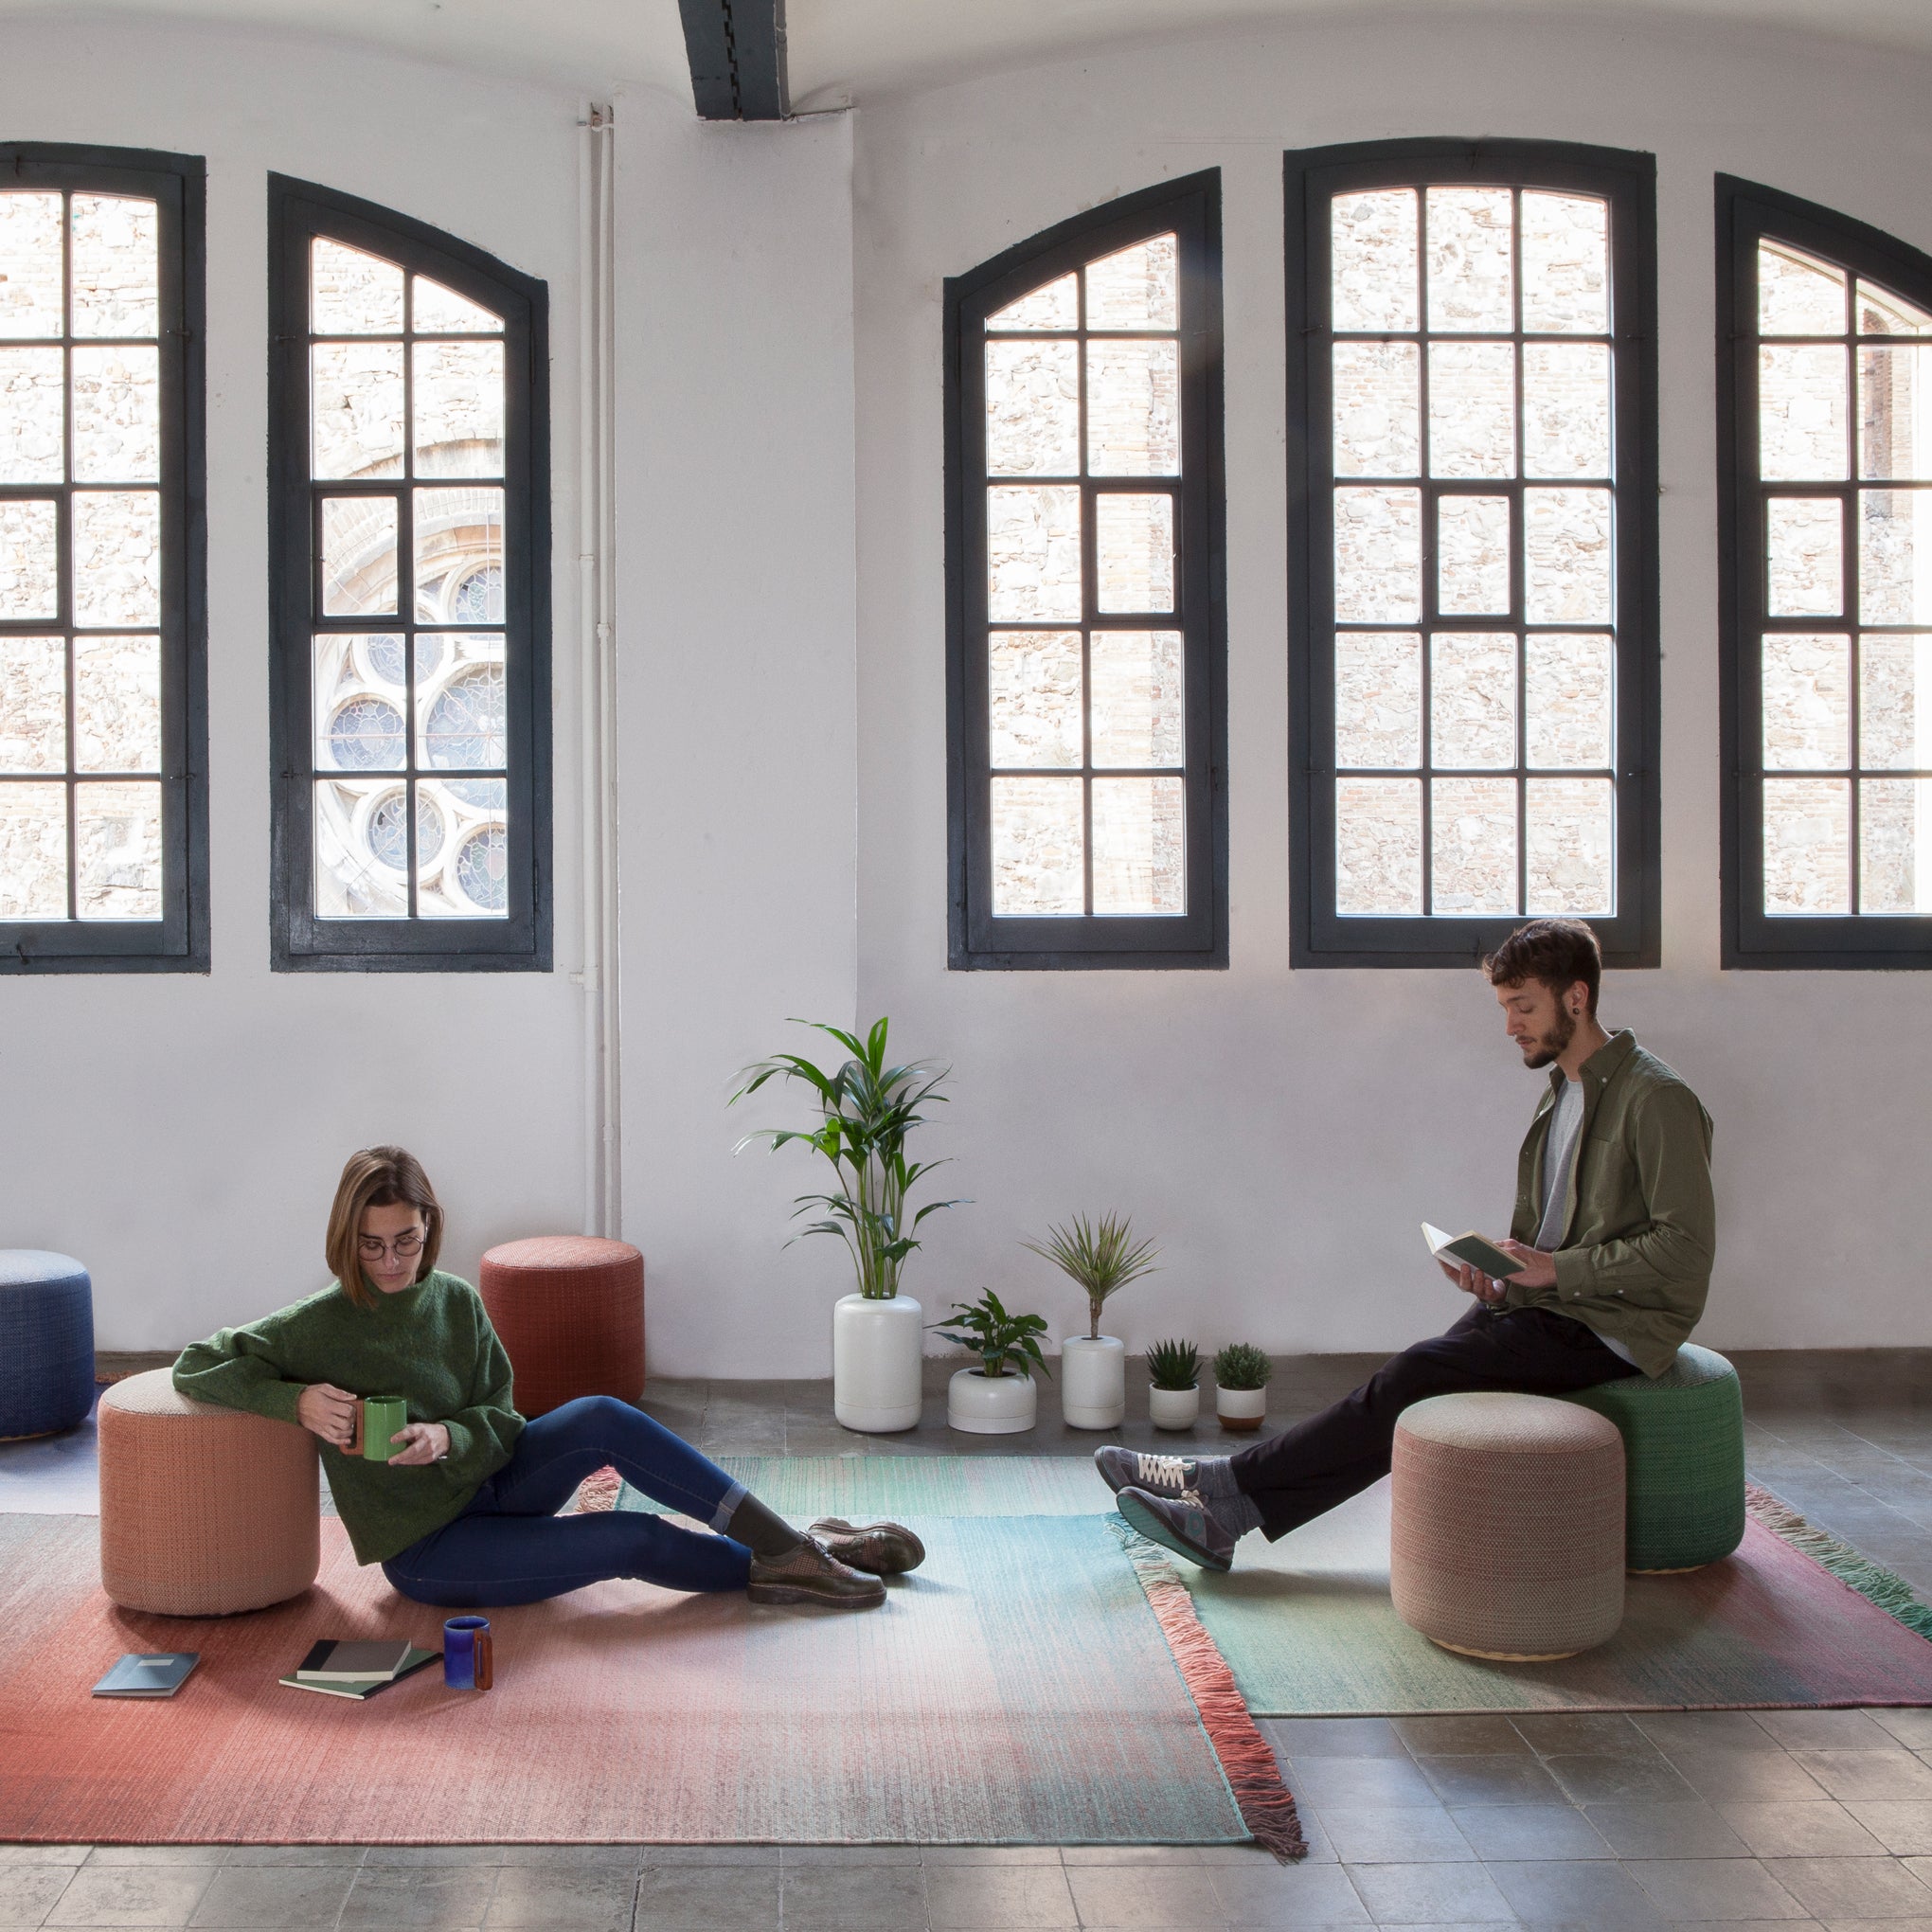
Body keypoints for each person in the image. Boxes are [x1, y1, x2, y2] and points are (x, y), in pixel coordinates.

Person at [1097, 917, 1716, 1572]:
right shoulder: (1561, 1094)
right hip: (1556, 1304)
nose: (1511, 1026)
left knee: (1416, 1374)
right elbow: (1555, 1236)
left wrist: (1556, 1271)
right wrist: (1504, 1276)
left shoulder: (1658, 1099)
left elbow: (1684, 1250)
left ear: (1577, 997)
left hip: (1614, 1323)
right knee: (1406, 1384)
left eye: (1523, 1006)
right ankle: (1224, 1503)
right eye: (1505, 1008)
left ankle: (1221, 1492)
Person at [173, 1146, 921, 1610]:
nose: (393, 1262)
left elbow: (502, 1416)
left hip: (494, 1484)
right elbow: (195, 1364)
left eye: (406, 1239)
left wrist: (445, 1435)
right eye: (371, 1247)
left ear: (430, 1224)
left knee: (600, 1414)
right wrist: (295, 1399)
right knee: (629, 1538)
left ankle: (790, 1545)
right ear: (347, 1240)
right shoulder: (318, 1322)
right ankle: (794, 1562)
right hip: (431, 1551)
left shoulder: (455, 1302)